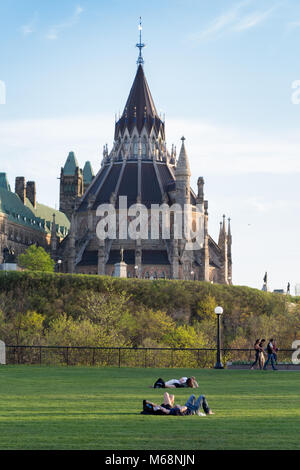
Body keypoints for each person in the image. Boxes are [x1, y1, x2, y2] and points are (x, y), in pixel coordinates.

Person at [141, 392, 214, 416]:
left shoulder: (171, 410)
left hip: (187, 407)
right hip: (192, 410)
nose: (162, 408)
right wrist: (180, 406)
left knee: (193, 396)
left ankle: (205, 410)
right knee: (202, 396)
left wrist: (150, 403)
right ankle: (208, 411)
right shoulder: (173, 412)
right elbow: (183, 408)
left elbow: (161, 407)